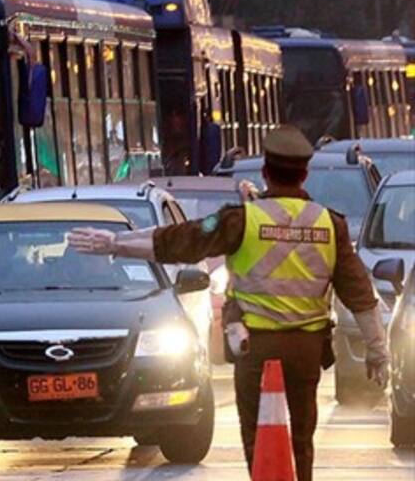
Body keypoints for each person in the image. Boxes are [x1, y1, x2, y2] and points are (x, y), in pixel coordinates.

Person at [68, 125, 388, 481]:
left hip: (256, 349)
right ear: (305, 174)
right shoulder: (330, 224)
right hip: (306, 350)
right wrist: (377, 351)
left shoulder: (241, 220)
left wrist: (116, 243)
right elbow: (360, 294)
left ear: (265, 172)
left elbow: (182, 239)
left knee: (258, 434)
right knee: (302, 435)